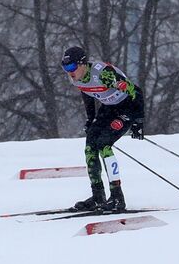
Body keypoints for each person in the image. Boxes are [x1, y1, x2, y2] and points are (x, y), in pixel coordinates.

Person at [60, 46, 143, 212]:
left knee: (104, 144)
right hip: (109, 108)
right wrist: (90, 119)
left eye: (71, 67)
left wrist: (138, 121)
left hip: (127, 108)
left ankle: (117, 197)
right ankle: (98, 196)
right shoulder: (77, 77)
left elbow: (136, 92)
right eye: (65, 67)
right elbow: (87, 93)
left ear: (83, 64)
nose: (69, 72)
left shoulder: (104, 75)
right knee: (90, 146)